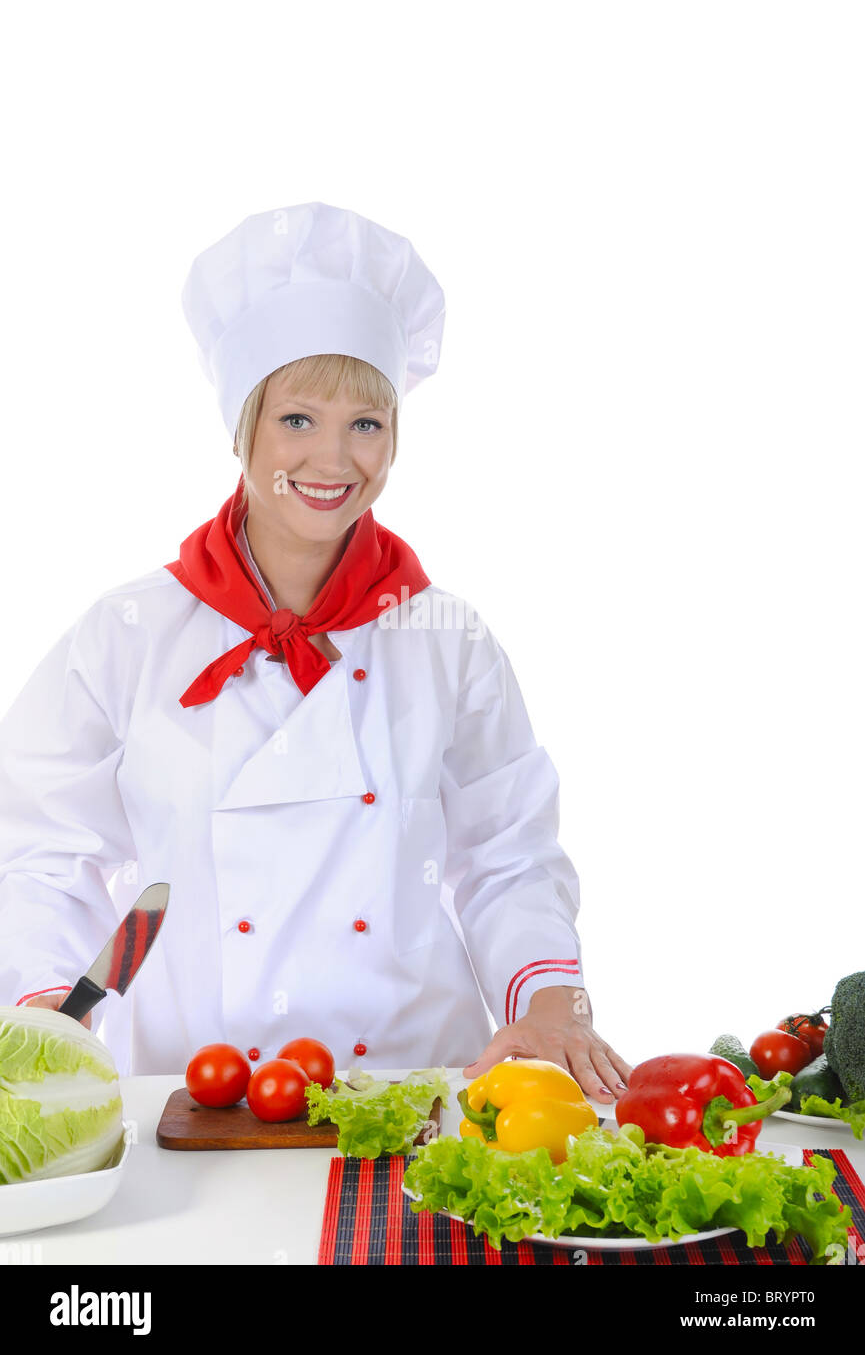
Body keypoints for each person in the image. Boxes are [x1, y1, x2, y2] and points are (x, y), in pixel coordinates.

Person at [0, 200, 632, 1104]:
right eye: (297, 419)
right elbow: (42, 851)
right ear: (243, 428)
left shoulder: (445, 641)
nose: (334, 458)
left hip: (418, 1082)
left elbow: (508, 853)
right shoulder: (125, 635)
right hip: (195, 1088)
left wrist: (550, 999)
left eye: (365, 424)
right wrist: (48, 1005)